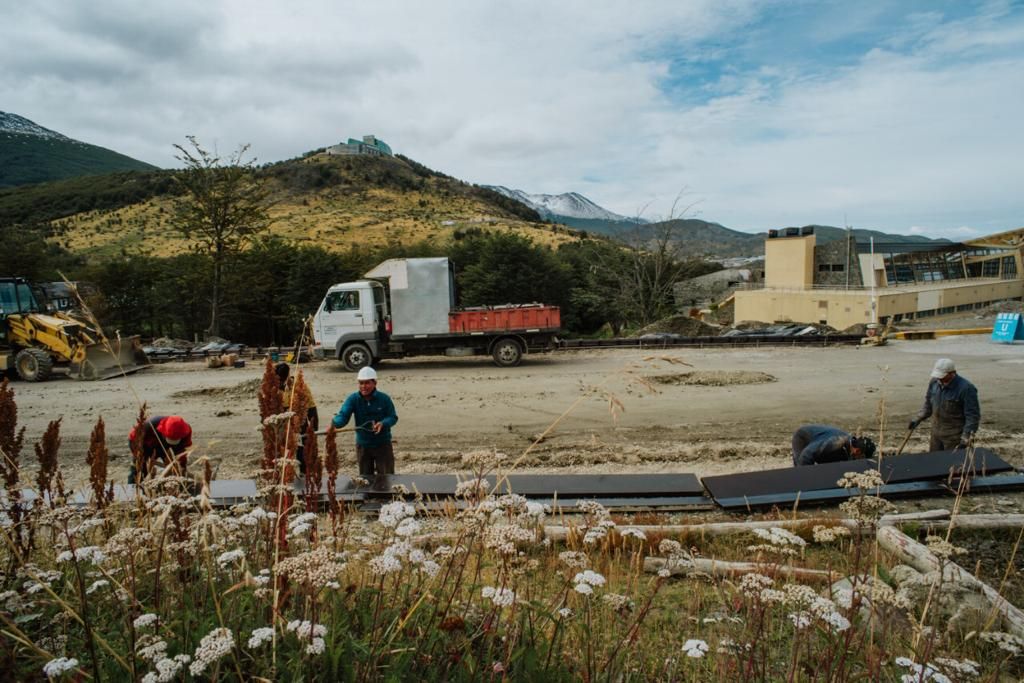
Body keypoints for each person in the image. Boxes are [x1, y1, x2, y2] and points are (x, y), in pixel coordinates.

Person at [331, 366, 398, 477]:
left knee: (387, 478)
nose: (363, 387)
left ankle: (387, 495)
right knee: (365, 479)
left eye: (367, 383)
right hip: (363, 446)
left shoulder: (384, 399)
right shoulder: (353, 399)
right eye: (361, 383)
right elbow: (343, 415)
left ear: (374, 383)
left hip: (383, 444)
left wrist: (383, 423)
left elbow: (392, 417)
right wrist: (334, 424)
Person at [909, 358, 980, 452]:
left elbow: (972, 417)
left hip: (954, 437)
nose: (939, 378)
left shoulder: (966, 389)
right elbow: (928, 404)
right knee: (935, 462)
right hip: (936, 435)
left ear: (952, 373)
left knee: (953, 464)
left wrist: (966, 438)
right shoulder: (934, 383)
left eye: (942, 376)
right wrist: (918, 418)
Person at [276, 362, 319, 473]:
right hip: (283, 424)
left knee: (302, 452)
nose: (280, 383)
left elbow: (312, 408)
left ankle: (304, 474)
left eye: (281, 380)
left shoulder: (299, 386)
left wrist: (314, 428)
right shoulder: (274, 388)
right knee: (283, 455)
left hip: (300, 422)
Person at [128, 415, 192, 483]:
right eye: (170, 439)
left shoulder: (186, 431)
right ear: (162, 431)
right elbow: (133, 440)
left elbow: (182, 450)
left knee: (176, 471)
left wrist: (181, 466)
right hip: (147, 446)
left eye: (175, 440)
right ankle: (133, 488)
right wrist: (140, 457)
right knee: (138, 471)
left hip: (172, 448)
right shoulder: (149, 425)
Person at [791, 424, 876, 467]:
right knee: (801, 467)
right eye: (862, 457)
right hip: (803, 438)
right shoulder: (836, 442)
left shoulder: (849, 449)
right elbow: (807, 454)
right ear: (858, 451)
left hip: (822, 443)